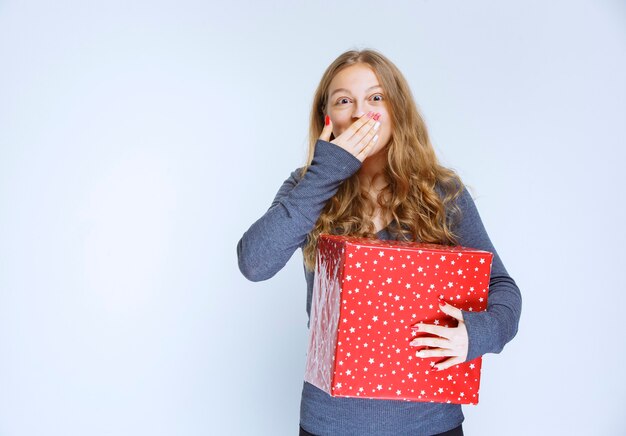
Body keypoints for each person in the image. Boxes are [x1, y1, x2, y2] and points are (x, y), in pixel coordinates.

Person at [237, 49, 522, 436]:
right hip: (329, 424)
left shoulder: (443, 192)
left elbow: (502, 288)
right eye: (343, 101)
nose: (359, 114)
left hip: (431, 423)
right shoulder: (307, 186)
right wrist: (327, 170)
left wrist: (478, 333)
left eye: (375, 98)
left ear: (397, 109)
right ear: (328, 119)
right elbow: (254, 263)